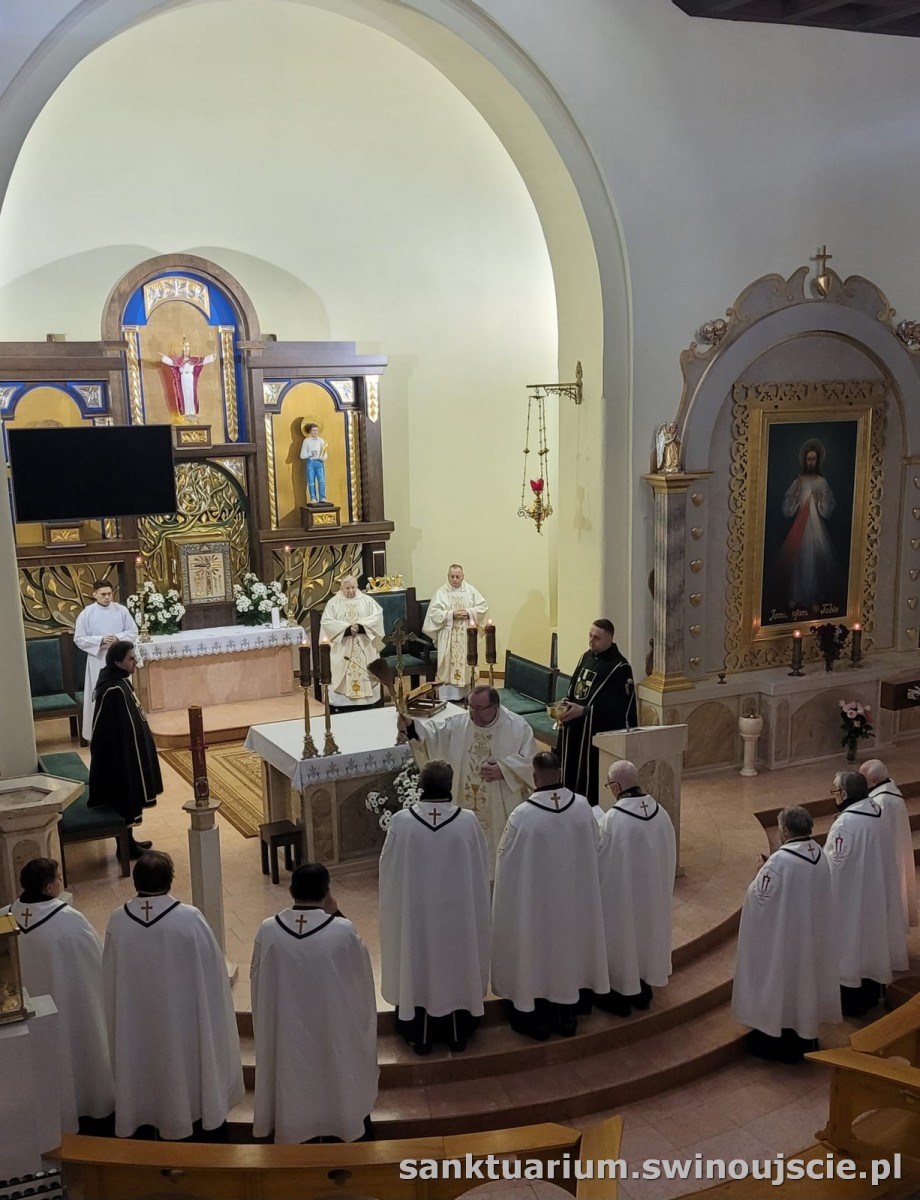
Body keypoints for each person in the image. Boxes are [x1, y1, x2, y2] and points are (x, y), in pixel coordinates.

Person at [103, 851, 244, 1141]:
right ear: (170, 880)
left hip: (135, 1027)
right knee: (187, 1072)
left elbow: (109, 978)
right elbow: (213, 974)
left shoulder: (118, 921)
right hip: (185, 1026)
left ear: (135, 882)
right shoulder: (189, 919)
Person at [251, 863, 377, 1144]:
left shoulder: (268, 930)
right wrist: (335, 912)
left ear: (291, 890)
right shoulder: (342, 930)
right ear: (327, 892)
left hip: (287, 1034)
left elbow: (258, 983)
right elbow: (360, 982)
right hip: (332, 1032)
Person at [491, 751, 608, 1040]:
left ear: (534, 777)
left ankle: (535, 1012)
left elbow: (506, 862)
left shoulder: (522, 816)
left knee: (537, 953)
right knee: (569, 951)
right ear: (560, 772)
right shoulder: (582, 806)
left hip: (537, 906)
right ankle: (567, 1013)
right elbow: (597, 847)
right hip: (575, 903)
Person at [379, 760, 491, 1056]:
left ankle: (420, 1036)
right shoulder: (467, 822)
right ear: (450, 785)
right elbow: (480, 868)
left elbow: (388, 871)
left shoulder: (402, 823)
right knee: (456, 962)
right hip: (458, 918)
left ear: (420, 785)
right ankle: (457, 1033)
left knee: (417, 962)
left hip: (415, 917)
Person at [1, 858, 115, 1134]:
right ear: (50, 887)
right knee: (74, 1055)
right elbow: (95, 965)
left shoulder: (4, 918)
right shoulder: (69, 921)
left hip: (21, 1021)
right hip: (67, 1014)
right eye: (59, 877)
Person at [732, 807, 841, 1063]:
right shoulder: (818, 853)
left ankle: (774, 1041)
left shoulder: (780, 862)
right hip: (809, 937)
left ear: (784, 830)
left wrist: (761, 871)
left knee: (782, 985)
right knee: (803, 987)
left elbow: (758, 899)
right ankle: (805, 1033)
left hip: (786, 940)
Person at [400, 684, 537, 872]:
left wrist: (504, 770)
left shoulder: (517, 727)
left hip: (500, 809)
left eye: (479, 708)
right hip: (464, 803)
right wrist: (411, 727)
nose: (473, 713)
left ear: (495, 707)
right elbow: (433, 735)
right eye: (470, 706)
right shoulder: (460, 723)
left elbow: (532, 763)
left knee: (499, 860)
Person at [824, 771, 908, 1016]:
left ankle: (850, 1000)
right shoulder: (875, 810)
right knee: (871, 942)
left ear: (845, 794)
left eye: (835, 791)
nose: (834, 796)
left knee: (851, 944)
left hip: (851, 898)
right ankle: (871, 993)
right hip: (875, 892)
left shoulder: (845, 824)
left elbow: (832, 868)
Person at [596, 760, 676, 1017]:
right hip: (653, 897)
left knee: (623, 939)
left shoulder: (613, 819)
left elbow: (601, 861)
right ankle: (643, 989)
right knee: (646, 937)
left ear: (616, 786)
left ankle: (621, 994)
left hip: (624, 899)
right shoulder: (660, 813)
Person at [88, 640, 162, 857]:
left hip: (127, 753)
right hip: (120, 758)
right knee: (124, 797)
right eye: (131, 658)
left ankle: (128, 841)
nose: (135, 661)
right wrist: (131, 755)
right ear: (118, 662)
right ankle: (126, 847)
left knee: (130, 797)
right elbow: (115, 731)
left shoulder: (119, 682)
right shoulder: (113, 689)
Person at [557, 619, 636, 804]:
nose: (591, 641)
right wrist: (566, 701)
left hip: (594, 734)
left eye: (597, 638)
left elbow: (618, 709)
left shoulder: (620, 668)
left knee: (587, 782)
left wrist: (585, 711)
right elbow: (576, 686)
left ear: (610, 639)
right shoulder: (586, 657)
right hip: (575, 729)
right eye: (590, 635)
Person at [778, 438, 838, 612]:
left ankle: (812, 597)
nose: (811, 462)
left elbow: (828, 506)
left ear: (817, 461)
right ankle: (796, 595)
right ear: (805, 460)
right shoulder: (799, 481)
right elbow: (788, 503)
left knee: (813, 560)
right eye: (809, 459)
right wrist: (796, 495)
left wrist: (820, 500)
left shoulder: (821, 482)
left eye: (814, 459)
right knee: (799, 558)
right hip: (800, 525)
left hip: (815, 526)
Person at [74, 579, 138, 741]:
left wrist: (118, 637)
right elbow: (79, 639)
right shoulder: (86, 614)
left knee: (122, 694)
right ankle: (98, 733)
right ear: (94, 594)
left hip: (120, 661)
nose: (107, 597)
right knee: (100, 695)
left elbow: (133, 632)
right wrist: (100, 640)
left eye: (109, 594)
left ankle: (125, 730)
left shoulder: (121, 610)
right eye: (103, 594)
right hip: (98, 660)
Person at [860, 759, 919, 929]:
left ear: (873, 781)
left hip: (886, 858)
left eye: (862, 778)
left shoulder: (882, 801)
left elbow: (873, 830)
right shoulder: (890, 793)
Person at [422, 564, 488, 700]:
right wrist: (451, 614)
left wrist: (469, 612)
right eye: (452, 576)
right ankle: (448, 696)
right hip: (448, 635)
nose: (455, 579)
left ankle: (468, 695)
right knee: (448, 665)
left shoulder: (471, 591)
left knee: (467, 662)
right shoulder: (441, 593)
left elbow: (483, 607)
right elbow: (434, 613)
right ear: (448, 576)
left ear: (463, 576)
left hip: (467, 635)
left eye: (458, 576)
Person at [319, 576, 385, 711]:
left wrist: (361, 627)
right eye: (347, 588)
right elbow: (327, 623)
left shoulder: (367, 601)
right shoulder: (333, 603)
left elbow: (377, 617)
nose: (351, 591)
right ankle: (343, 705)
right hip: (343, 646)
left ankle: (368, 703)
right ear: (341, 588)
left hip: (364, 644)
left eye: (353, 587)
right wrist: (347, 629)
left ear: (357, 586)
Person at [160, 338, 215, 419]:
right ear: (183, 351)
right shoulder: (179, 360)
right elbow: (171, 362)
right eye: (185, 350)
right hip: (183, 378)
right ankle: (186, 412)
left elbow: (203, 360)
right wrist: (164, 358)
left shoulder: (193, 360)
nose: (186, 352)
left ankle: (192, 412)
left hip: (190, 377)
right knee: (185, 394)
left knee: (191, 394)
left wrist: (212, 357)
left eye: (187, 350)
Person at [299, 421, 328, 503]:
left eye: (317, 430)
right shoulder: (306, 441)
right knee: (311, 481)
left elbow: (325, 452)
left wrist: (323, 458)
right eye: (314, 430)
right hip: (311, 462)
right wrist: (310, 453)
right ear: (310, 431)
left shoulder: (322, 441)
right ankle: (313, 498)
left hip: (319, 462)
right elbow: (302, 455)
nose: (315, 432)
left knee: (322, 481)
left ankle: (322, 497)